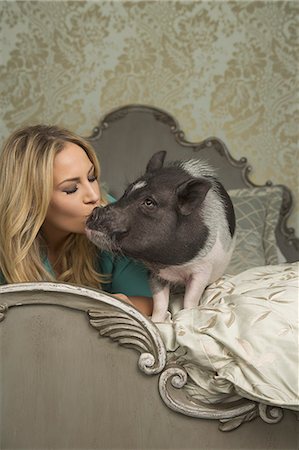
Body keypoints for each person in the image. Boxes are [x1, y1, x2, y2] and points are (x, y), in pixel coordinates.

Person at [0, 124, 153, 316]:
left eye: (92, 177)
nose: (94, 196)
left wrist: (118, 304)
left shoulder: (115, 220)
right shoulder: (6, 240)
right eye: (71, 188)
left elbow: (149, 302)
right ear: (30, 199)